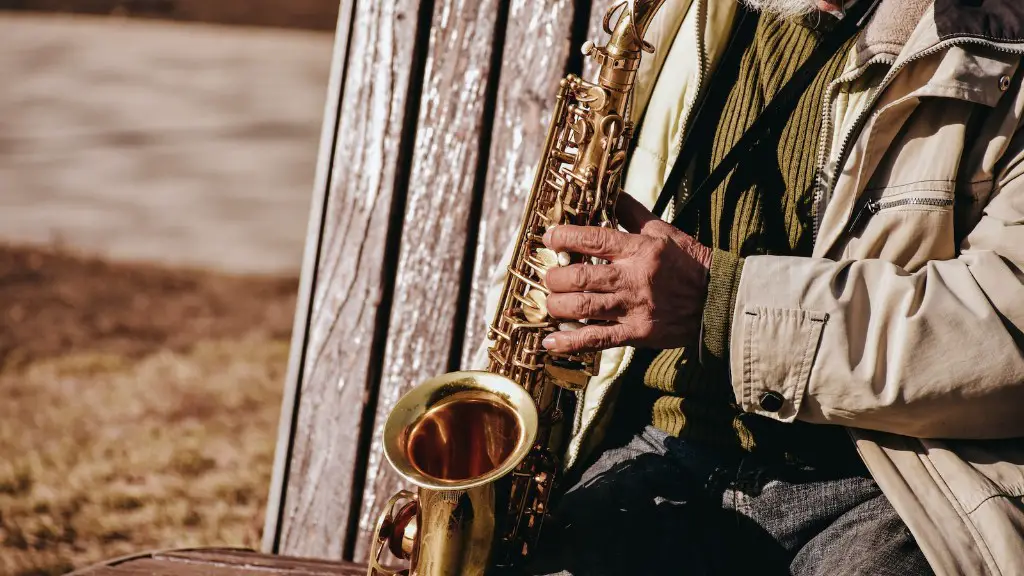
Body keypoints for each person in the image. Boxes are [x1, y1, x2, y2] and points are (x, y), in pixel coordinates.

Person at [475, 0, 1024, 573]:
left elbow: (1007, 334)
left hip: (893, 480)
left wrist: (724, 305)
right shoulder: (675, 17)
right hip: (661, 442)